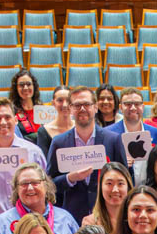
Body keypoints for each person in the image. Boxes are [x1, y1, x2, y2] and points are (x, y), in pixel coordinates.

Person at [46, 86, 128, 219]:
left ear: (95, 107)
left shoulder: (113, 140)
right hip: (72, 215)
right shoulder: (59, 143)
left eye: (87, 104)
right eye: (77, 105)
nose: (82, 109)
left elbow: (125, 178)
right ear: (71, 109)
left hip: (108, 214)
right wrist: (69, 178)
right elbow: (49, 184)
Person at [0, 98, 48, 217]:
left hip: (29, 218)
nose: (3, 122)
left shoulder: (33, 152)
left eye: (7, 117)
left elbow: (46, 188)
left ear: (15, 120)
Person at [104, 88, 157, 155]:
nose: (133, 108)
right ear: (121, 108)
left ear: (143, 107)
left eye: (137, 104)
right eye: (128, 104)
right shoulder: (107, 134)